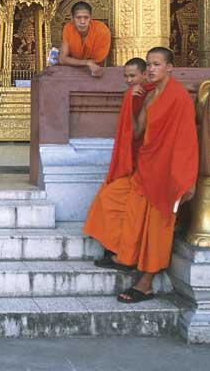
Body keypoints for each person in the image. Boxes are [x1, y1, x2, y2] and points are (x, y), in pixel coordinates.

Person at [83, 47, 198, 303]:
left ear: (169, 67)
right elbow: (136, 133)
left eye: (157, 64)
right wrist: (130, 102)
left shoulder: (179, 97)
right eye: (149, 65)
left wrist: (186, 179)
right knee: (111, 198)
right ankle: (123, 256)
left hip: (166, 174)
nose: (152, 69)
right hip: (145, 168)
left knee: (156, 230)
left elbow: (187, 140)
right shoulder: (148, 95)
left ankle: (145, 284)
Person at [58, 1, 111, 77]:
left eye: (86, 18)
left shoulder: (101, 30)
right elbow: (62, 59)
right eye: (78, 18)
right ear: (72, 18)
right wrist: (87, 62)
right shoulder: (68, 28)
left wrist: (74, 61)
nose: (82, 22)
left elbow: (99, 61)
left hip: (96, 73)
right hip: (73, 72)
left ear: (91, 17)